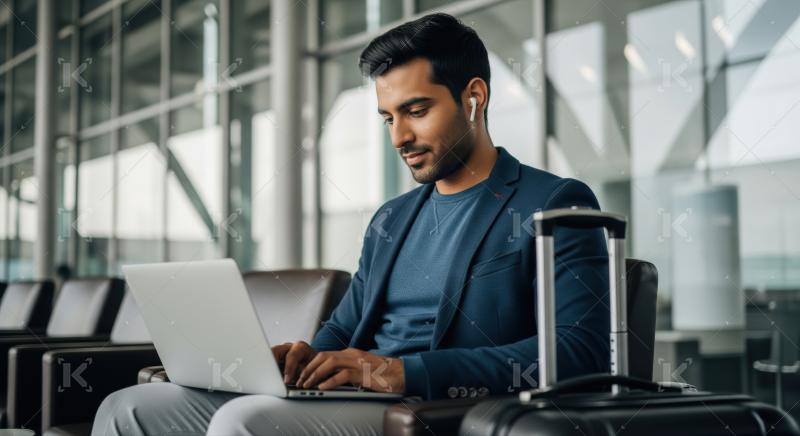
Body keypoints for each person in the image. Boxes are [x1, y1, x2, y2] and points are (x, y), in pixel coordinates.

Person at [90, 12, 610, 436]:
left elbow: (577, 352)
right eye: (388, 117)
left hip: (427, 409)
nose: (399, 136)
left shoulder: (556, 202)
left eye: (416, 110)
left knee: (243, 422)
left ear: (474, 97)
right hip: (353, 397)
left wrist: (400, 371)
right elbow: (346, 326)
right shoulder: (393, 218)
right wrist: (304, 357)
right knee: (128, 408)